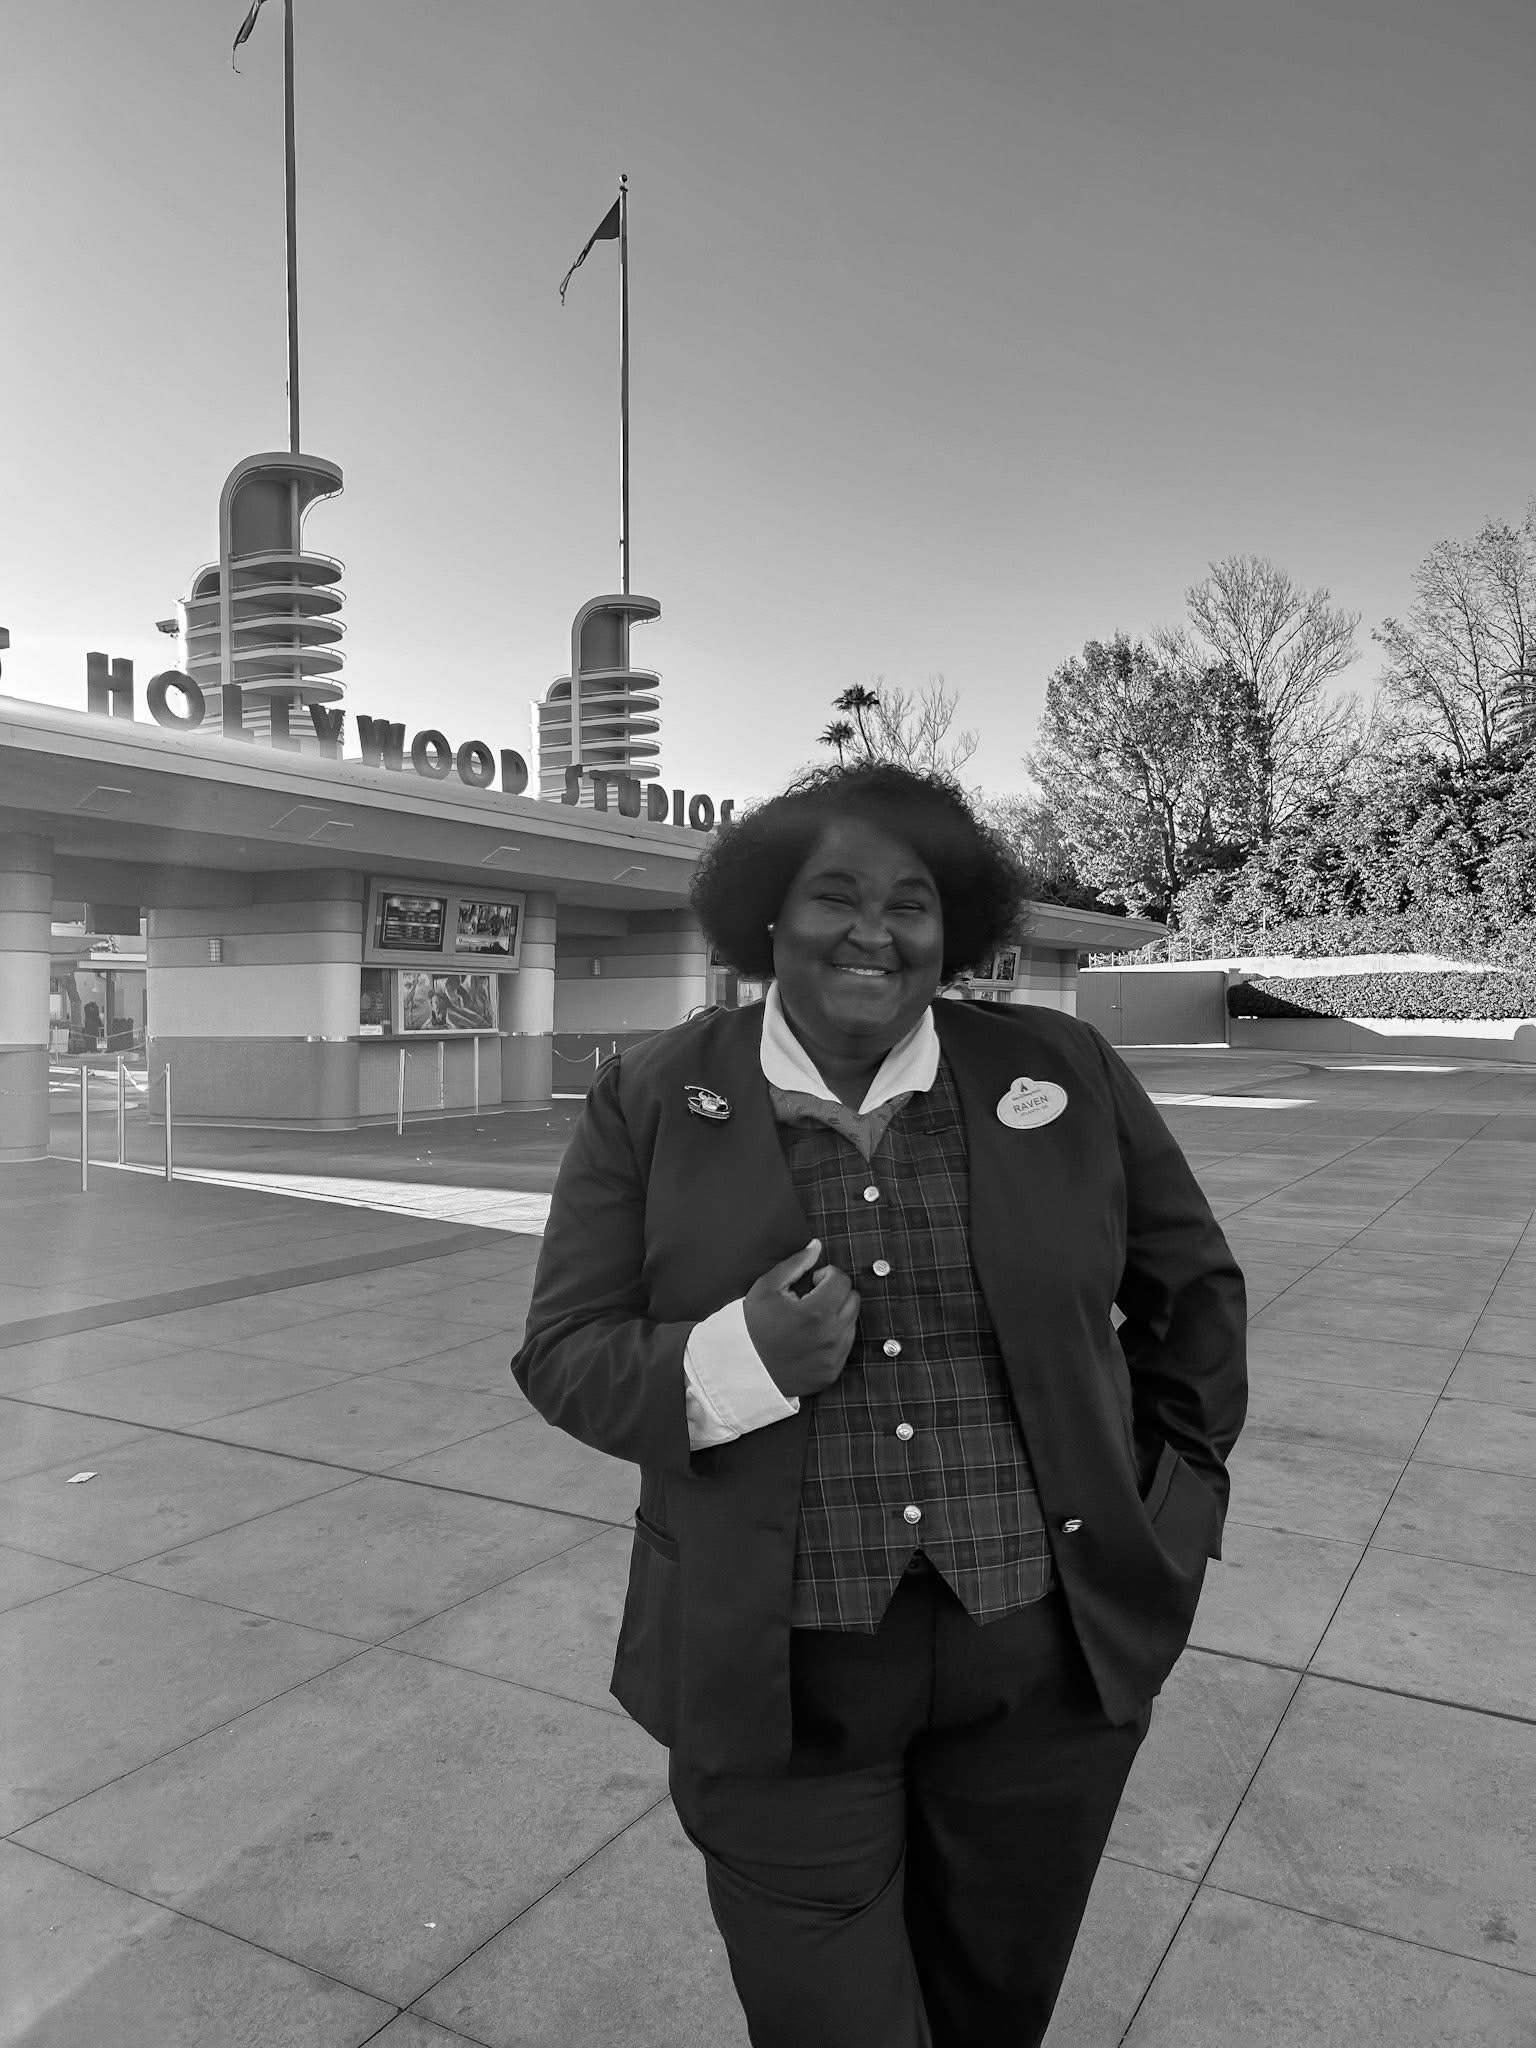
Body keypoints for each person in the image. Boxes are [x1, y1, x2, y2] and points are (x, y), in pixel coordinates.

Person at [511, 762, 1247, 2048]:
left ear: (951, 924)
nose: (874, 929)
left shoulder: (1059, 1064)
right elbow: (562, 1350)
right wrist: (740, 1356)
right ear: (766, 919)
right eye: (833, 894)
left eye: (911, 901)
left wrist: (1170, 1510)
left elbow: (1194, 1296)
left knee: (993, 2005)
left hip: (1044, 1664)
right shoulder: (652, 1093)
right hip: (777, 1676)